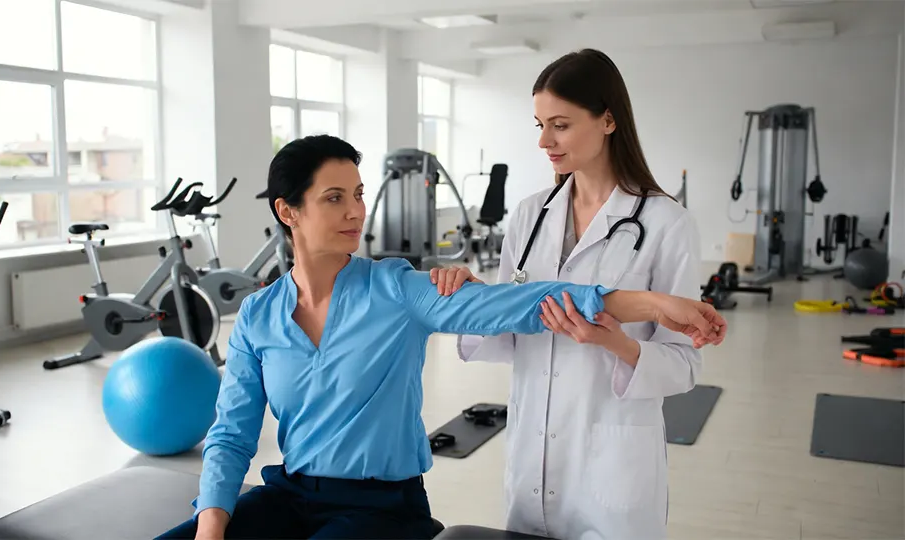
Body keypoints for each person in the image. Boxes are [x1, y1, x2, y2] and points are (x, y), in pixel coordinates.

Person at [157, 134, 726, 540]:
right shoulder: (259, 316)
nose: (356, 211)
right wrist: (213, 523)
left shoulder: (397, 287)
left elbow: (521, 303)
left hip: (381, 507)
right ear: (288, 211)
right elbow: (231, 435)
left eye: (358, 194)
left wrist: (650, 302)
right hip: (290, 494)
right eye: (335, 198)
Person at [432, 48, 711, 540]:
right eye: (538, 124)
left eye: (560, 124)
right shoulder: (529, 214)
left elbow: (685, 364)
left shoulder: (666, 223)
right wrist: (481, 304)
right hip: (532, 457)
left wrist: (615, 343)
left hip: (612, 464)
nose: (544, 141)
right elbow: (515, 325)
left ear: (608, 120)